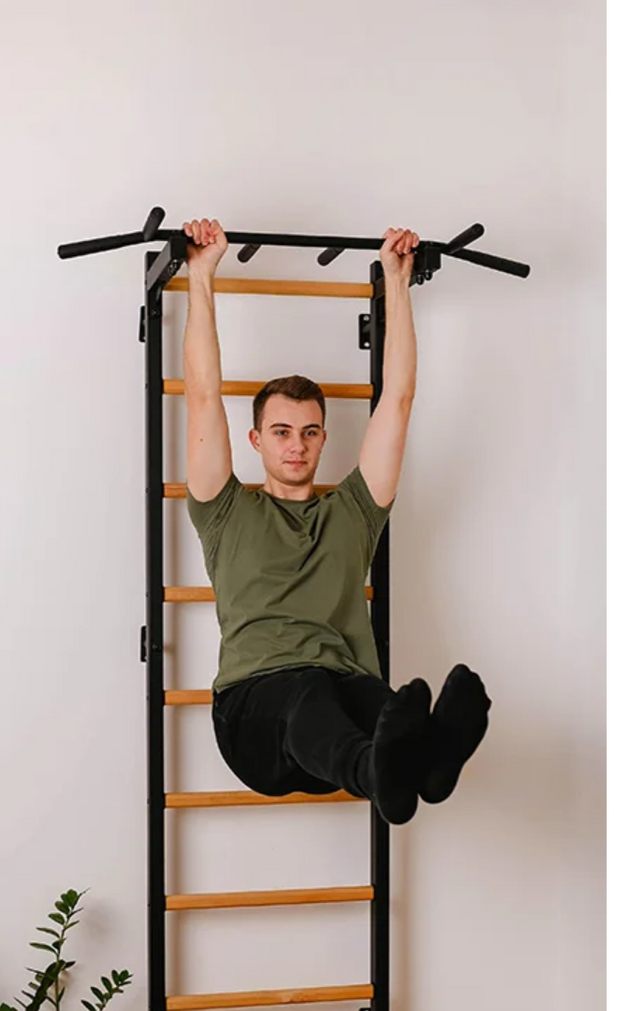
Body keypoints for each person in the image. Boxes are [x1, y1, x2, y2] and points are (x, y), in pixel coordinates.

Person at [181, 216, 491, 826]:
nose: (296, 446)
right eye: (281, 432)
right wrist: (200, 275)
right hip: (255, 718)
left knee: (375, 698)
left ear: (324, 438)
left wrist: (397, 285)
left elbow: (397, 401)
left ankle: (427, 764)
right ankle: (384, 768)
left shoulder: (351, 513)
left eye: (310, 431)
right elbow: (200, 394)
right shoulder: (225, 508)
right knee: (311, 692)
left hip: (343, 705)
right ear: (256, 440)